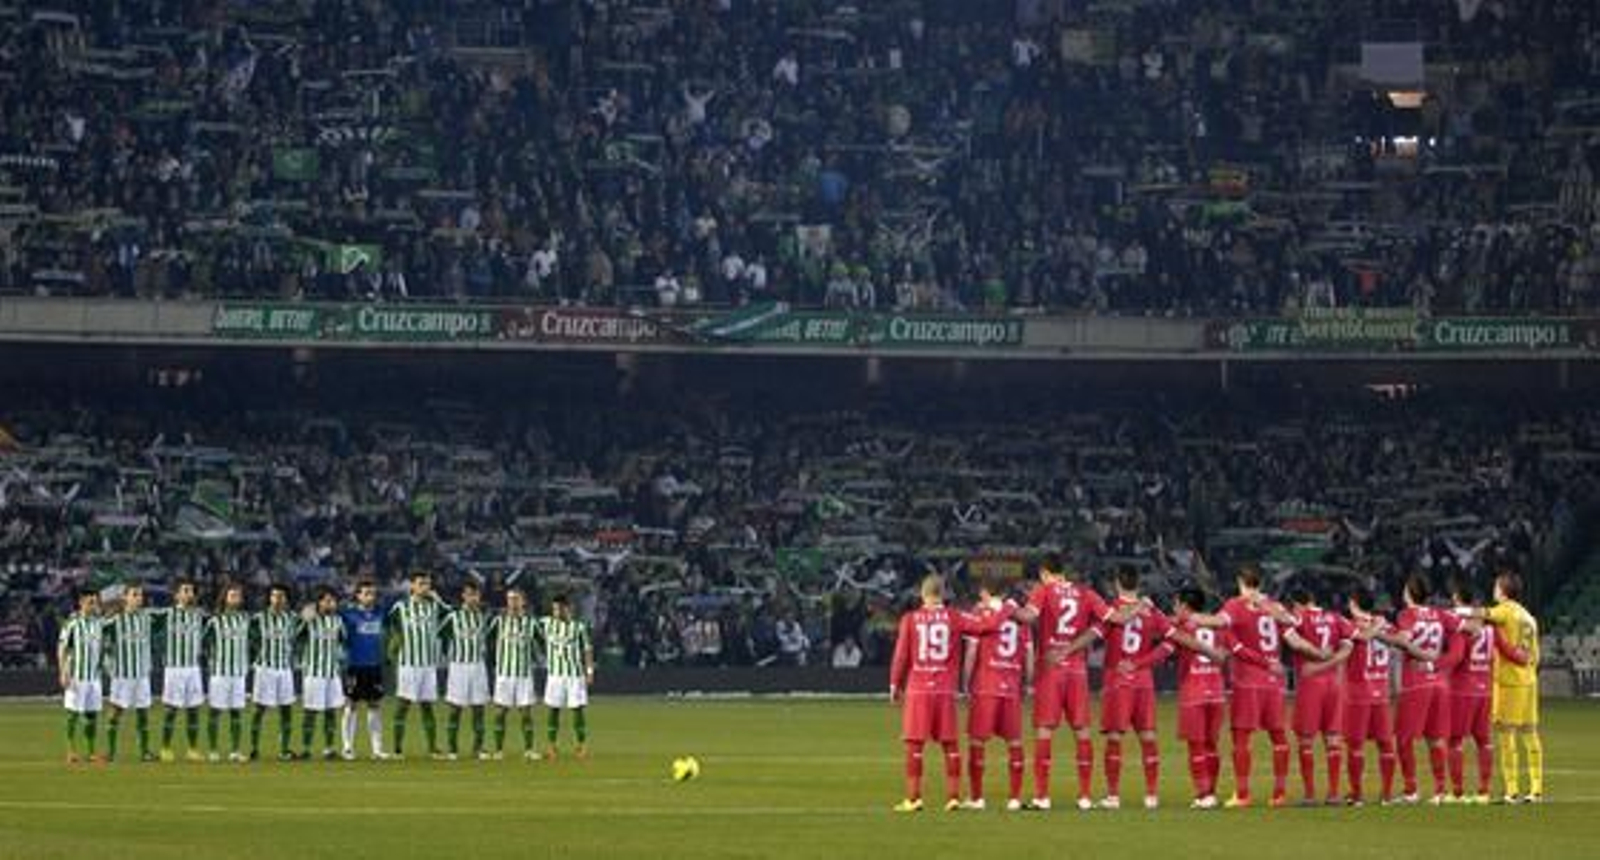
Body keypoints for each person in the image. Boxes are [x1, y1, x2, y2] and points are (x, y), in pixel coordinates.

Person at [1189, 567, 1327, 808]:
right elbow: (1294, 635)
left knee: (1241, 738)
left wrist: (1195, 617)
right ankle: (1279, 793)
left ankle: (1242, 794)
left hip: (1247, 681)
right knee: (1278, 737)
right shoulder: (1274, 606)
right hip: (1274, 681)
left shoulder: (1235, 605)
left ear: (1240, 581)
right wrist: (1320, 655)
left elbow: (1218, 622)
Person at [889, 573, 1015, 813]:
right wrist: (1005, 608)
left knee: (915, 745)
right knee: (950, 745)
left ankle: (914, 799)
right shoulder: (954, 617)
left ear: (923, 595)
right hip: (945, 690)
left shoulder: (910, 619)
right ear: (943, 594)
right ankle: (954, 797)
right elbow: (988, 626)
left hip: (918, 689)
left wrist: (895, 684)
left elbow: (901, 656)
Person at [1022, 555, 1108, 811]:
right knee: (1082, 730)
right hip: (1077, 671)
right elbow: (1106, 622)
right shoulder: (1085, 592)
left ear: (1044, 573)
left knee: (1045, 730)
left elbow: (1029, 616)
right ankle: (1084, 797)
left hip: (1050, 669)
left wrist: (1008, 609)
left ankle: (1041, 797)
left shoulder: (1043, 590)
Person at [1096, 566, 1173, 810]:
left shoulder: (1111, 610)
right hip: (1143, 680)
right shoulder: (1152, 611)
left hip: (1117, 678)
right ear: (1138, 585)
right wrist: (1143, 663)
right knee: (1148, 735)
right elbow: (1171, 642)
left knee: (1115, 736)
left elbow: (1096, 634)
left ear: (1117, 584)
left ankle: (1113, 796)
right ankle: (1151, 795)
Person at [960, 574, 1031, 812]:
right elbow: (1029, 656)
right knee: (1015, 742)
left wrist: (965, 683)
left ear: (984, 592)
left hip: (985, 685)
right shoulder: (1020, 617)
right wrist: (1026, 684)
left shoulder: (981, 614)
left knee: (977, 741)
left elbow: (971, 652)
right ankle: (1014, 799)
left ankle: (977, 798)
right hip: (1011, 685)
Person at [1445, 581, 1520, 804]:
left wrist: (1437, 666)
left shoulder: (1460, 629)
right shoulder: (1490, 629)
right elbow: (1509, 652)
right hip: (1484, 692)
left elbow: (1457, 657)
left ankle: (1457, 793)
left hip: (1462, 691)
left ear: (1457, 600)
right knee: (1484, 741)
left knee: (1455, 741)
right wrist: (1525, 658)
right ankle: (1484, 792)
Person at [1390, 574, 1461, 804]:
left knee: (1403, 739)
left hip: (1416, 682)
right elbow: (1469, 627)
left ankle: (1411, 790)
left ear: (1409, 592)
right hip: (1439, 682)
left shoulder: (1407, 614)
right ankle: (1440, 791)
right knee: (1436, 738)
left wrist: (1383, 634)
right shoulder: (1440, 614)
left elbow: (1404, 639)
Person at [1475, 571, 1543, 803]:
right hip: (1529, 680)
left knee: (1505, 733)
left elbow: (1482, 614)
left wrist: (1457, 610)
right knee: (1530, 733)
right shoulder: (1528, 616)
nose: (1494, 590)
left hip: (1510, 682)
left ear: (1502, 590)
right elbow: (1536, 654)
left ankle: (1511, 790)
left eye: (1496, 586)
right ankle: (1536, 789)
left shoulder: (1505, 610)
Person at [1288, 585, 1353, 806]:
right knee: (1333, 738)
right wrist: (1330, 662)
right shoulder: (1336, 618)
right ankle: (1334, 794)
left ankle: (1309, 795)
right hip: (1334, 683)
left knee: (1306, 739)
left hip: (1311, 684)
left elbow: (1294, 641)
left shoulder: (1298, 619)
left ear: (1297, 604)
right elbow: (1349, 646)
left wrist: (1317, 663)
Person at [1168, 588, 1232, 809]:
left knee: (1196, 746)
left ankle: (1203, 795)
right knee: (1212, 744)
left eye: (1176, 604)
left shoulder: (1180, 627)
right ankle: (1212, 792)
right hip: (1216, 692)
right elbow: (1226, 654)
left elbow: (1165, 645)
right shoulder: (1217, 627)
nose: (1174, 607)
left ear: (1185, 606)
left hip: (1193, 691)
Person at [1343, 589, 1397, 806]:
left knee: (1356, 747)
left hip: (1358, 693)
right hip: (1381, 692)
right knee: (1385, 745)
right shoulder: (1385, 624)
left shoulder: (1350, 625)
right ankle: (1386, 795)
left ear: (1354, 604)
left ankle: (1357, 796)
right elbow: (1402, 639)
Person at [389, 571, 447, 760]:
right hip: (409, 664)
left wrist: (439, 599)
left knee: (427, 706)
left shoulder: (433, 606)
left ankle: (432, 748)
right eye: (421, 583)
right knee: (403, 705)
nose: (426, 587)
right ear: (412, 586)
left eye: (428, 584)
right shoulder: (401, 607)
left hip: (428, 665)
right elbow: (388, 624)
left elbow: (451, 615)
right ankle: (397, 749)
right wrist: (394, 646)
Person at [538, 593, 596, 759]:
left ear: (567, 608)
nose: (556, 612)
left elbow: (587, 650)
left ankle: (581, 746)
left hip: (574, 675)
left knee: (577, 709)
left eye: (559, 608)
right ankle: (551, 746)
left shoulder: (578, 627)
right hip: (555, 675)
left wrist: (589, 671)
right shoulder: (546, 623)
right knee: (553, 709)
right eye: (554, 608)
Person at [103, 583, 155, 762]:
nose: (139, 598)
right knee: (116, 711)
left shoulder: (147, 618)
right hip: (122, 675)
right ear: (125, 597)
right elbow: (100, 640)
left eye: (140, 595)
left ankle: (145, 752)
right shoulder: (115, 621)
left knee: (143, 712)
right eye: (134, 595)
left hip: (141, 675)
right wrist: (108, 663)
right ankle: (110, 752)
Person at [158, 579, 207, 762]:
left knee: (193, 710)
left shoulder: (199, 616)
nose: (189, 594)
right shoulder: (166, 614)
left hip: (193, 669)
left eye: (191, 591)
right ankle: (165, 747)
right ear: (176, 595)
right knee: (171, 710)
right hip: (174, 669)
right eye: (185, 590)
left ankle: (193, 749)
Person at [249, 584, 299, 761]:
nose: (278, 600)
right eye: (275, 596)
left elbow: (300, 636)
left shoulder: (292, 618)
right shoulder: (258, 618)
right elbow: (249, 639)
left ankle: (284, 750)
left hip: (284, 669)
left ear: (286, 599)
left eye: (281, 596)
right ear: (269, 598)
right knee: (259, 709)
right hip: (265, 669)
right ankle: (254, 748)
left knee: (286, 709)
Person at [443, 581, 492, 761]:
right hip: (458, 667)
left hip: (478, 666)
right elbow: (441, 635)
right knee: (455, 708)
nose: (473, 598)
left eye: (476, 595)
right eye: (470, 594)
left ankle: (478, 748)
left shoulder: (482, 617)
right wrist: (451, 655)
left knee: (479, 708)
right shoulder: (453, 617)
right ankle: (452, 749)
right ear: (463, 596)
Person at [490, 587, 540, 761]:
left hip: (524, 674)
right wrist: (494, 662)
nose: (512, 603)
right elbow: (489, 640)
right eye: (510, 599)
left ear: (523, 602)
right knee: (500, 712)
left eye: (516, 599)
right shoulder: (498, 621)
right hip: (504, 674)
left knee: (526, 713)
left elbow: (542, 642)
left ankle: (529, 749)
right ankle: (498, 750)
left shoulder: (531, 623)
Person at [340, 579, 387, 760]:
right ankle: (348, 748)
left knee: (375, 705)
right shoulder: (348, 614)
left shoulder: (380, 613)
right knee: (351, 705)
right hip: (355, 666)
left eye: (373, 593)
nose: (370, 597)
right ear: (358, 595)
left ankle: (376, 749)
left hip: (374, 666)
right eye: (366, 593)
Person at [206, 583, 252, 763]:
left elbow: (254, 640)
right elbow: (204, 642)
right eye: (232, 595)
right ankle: (213, 750)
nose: (235, 598)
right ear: (224, 598)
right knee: (215, 711)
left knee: (236, 712)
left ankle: (234, 751)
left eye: (238, 595)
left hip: (238, 673)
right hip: (220, 673)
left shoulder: (245, 620)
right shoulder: (215, 621)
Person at [58, 588, 103, 764]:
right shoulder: (72, 624)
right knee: (73, 714)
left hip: (94, 677)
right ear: (81, 602)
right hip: (77, 676)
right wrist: (63, 671)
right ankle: (71, 751)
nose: (94, 605)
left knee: (92, 715)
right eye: (90, 601)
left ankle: (91, 752)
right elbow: (62, 648)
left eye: (95, 601)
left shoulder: (98, 623)